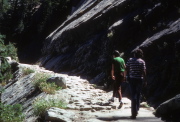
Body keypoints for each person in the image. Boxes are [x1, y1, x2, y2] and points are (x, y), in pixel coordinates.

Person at [125, 49, 147, 119]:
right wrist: (145, 80)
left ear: (134, 54)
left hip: (132, 79)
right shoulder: (142, 61)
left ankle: (133, 112)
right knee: (138, 94)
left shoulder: (130, 60)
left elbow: (126, 68)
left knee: (133, 95)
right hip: (139, 80)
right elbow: (144, 71)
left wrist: (126, 76)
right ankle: (137, 109)